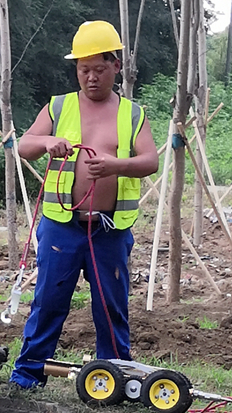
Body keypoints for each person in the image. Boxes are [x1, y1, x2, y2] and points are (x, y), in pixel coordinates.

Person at [9, 20, 159, 389]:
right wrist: (47, 142)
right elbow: (23, 145)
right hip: (63, 226)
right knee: (48, 301)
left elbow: (150, 161)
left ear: (116, 67)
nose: (91, 77)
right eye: (83, 69)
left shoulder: (132, 114)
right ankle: (28, 375)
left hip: (110, 230)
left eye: (99, 69)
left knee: (110, 307)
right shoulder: (58, 107)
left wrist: (115, 165)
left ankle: (116, 378)